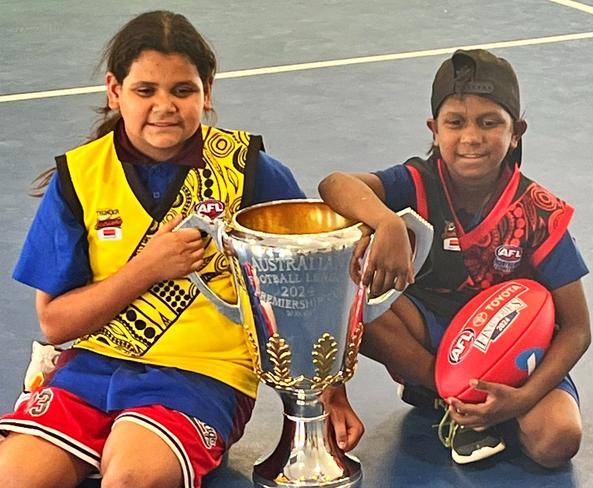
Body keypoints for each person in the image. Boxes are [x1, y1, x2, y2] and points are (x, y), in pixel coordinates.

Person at [0, 10, 363, 488]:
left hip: (201, 376)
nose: (164, 106)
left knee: (131, 476)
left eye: (183, 90)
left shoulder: (249, 170)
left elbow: (309, 286)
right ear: (115, 91)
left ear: (207, 92)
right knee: (15, 477)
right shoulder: (80, 177)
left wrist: (328, 391)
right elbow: (56, 322)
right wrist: (148, 267)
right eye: (145, 90)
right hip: (93, 369)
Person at [318, 49, 590, 468]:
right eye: (455, 122)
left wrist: (523, 398)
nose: (471, 137)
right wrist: (386, 222)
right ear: (434, 129)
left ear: (516, 132)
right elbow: (334, 183)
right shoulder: (416, 182)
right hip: (432, 337)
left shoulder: (539, 212)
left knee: (557, 442)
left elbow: (576, 329)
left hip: (516, 351)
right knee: (359, 303)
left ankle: (485, 408)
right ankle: (453, 400)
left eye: (489, 122)